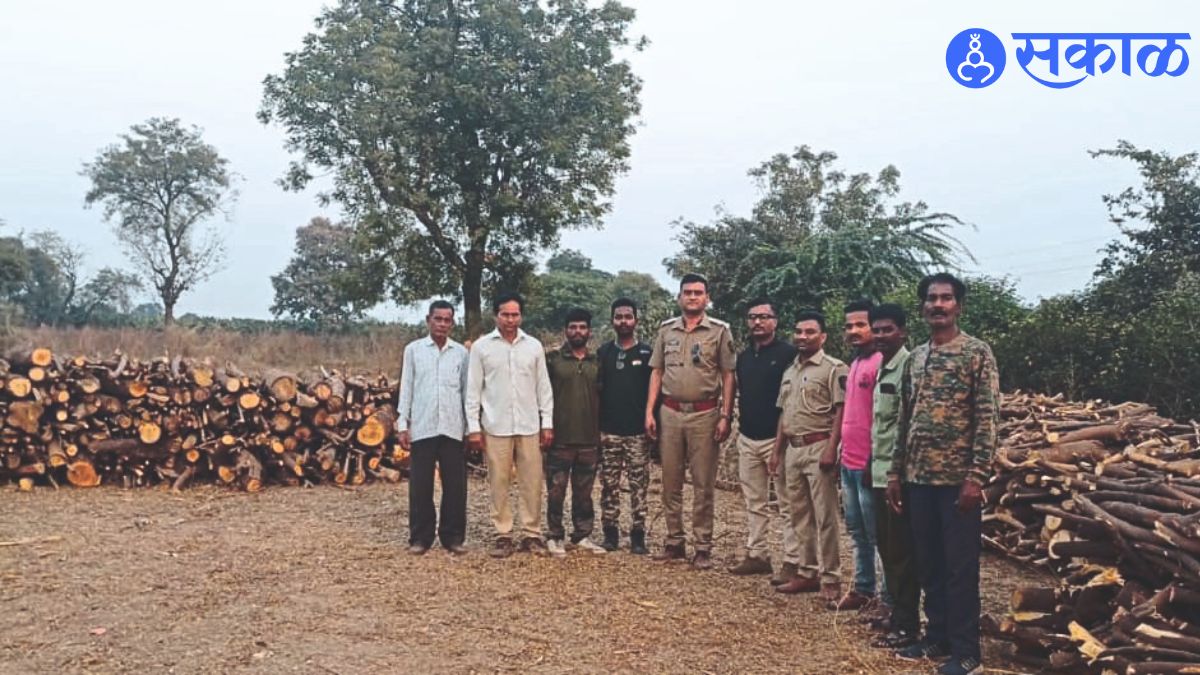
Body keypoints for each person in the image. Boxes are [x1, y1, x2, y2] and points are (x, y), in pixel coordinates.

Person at [886, 274, 999, 675]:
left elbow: (987, 417)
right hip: (918, 479)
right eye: (932, 298)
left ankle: (967, 652)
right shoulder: (916, 357)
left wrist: (976, 476)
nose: (938, 304)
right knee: (928, 563)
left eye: (946, 298)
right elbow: (906, 418)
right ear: (923, 307)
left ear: (958, 306)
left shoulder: (976, 353)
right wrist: (895, 472)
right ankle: (937, 638)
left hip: (957, 481)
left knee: (959, 569)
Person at [645, 273, 736, 570]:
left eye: (698, 292)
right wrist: (650, 411)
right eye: (688, 292)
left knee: (703, 484)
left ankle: (703, 546)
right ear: (679, 297)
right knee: (670, 482)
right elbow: (657, 372)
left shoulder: (719, 331)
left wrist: (725, 415)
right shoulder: (666, 330)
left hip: (705, 415)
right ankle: (674, 541)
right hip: (670, 412)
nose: (693, 297)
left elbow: (728, 375)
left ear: (707, 298)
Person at [465, 291, 555, 559]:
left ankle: (531, 533)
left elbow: (543, 388)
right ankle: (502, 533)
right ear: (496, 316)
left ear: (521, 316)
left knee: (532, 482)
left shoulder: (533, 346)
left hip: (529, 425)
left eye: (515, 315)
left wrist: (547, 423)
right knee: (499, 481)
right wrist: (473, 427)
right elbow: (473, 390)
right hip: (496, 425)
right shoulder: (482, 348)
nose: (510, 320)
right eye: (505, 314)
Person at [770, 310, 848, 602]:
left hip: (819, 446)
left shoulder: (833, 368)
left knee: (825, 516)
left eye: (810, 332)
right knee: (799, 514)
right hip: (794, 448)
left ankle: (831, 577)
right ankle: (807, 571)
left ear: (823, 336)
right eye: (799, 332)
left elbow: (841, 411)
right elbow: (784, 413)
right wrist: (777, 451)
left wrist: (831, 448)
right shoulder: (790, 370)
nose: (802, 337)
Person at [729, 297, 797, 577]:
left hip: (778, 439)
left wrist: (779, 446)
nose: (757, 322)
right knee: (754, 502)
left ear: (775, 321)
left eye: (763, 317)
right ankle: (757, 554)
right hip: (748, 437)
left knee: (787, 502)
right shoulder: (744, 358)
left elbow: (789, 402)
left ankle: (793, 560)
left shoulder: (789, 355)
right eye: (752, 317)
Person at [396, 300, 469, 555]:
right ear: (428, 320)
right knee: (420, 486)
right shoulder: (414, 350)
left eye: (447, 320)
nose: (442, 324)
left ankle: (453, 537)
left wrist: (469, 428)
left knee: (455, 486)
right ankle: (420, 537)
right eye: (438, 319)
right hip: (423, 426)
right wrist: (403, 424)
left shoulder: (461, 353)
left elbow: (466, 392)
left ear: (452, 323)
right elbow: (406, 387)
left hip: (452, 427)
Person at [868, 303, 919, 650]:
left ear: (902, 331)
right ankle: (897, 614)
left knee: (901, 554)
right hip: (877, 472)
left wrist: (895, 475)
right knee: (887, 550)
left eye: (888, 330)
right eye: (877, 330)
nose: (881, 336)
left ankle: (907, 625)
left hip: (895, 478)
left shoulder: (908, 367)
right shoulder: (882, 367)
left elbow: (905, 428)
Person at [829, 300, 884, 611]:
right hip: (849, 461)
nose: (854, 331)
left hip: (870, 465)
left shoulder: (881, 363)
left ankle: (887, 599)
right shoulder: (854, 365)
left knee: (878, 535)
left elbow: (885, 418)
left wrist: (873, 459)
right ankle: (863, 588)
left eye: (861, 325)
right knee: (856, 530)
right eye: (849, 326)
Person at [544, 308, 606, 556]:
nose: (577, 331)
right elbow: (542, 395)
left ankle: (582, 535)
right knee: (555, 491)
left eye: (582, 327)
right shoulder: (553, 360)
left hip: (589, 439)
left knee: (584, 493)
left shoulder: (597, 362)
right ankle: (554, 535)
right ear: (565, 331)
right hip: (559, 439)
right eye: (572, 327)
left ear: (589, 331)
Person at [597, 298, 654, 554]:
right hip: (609, 432)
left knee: (639, 486)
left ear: (636, 321)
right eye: (618, 317)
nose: (623, 321)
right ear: (612, 320)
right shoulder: (603, 354)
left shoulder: (647, 354)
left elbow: (655, 392)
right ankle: (610, 533)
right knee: (609, 486)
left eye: (628, 317)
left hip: (638, 433)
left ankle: (638, 535)